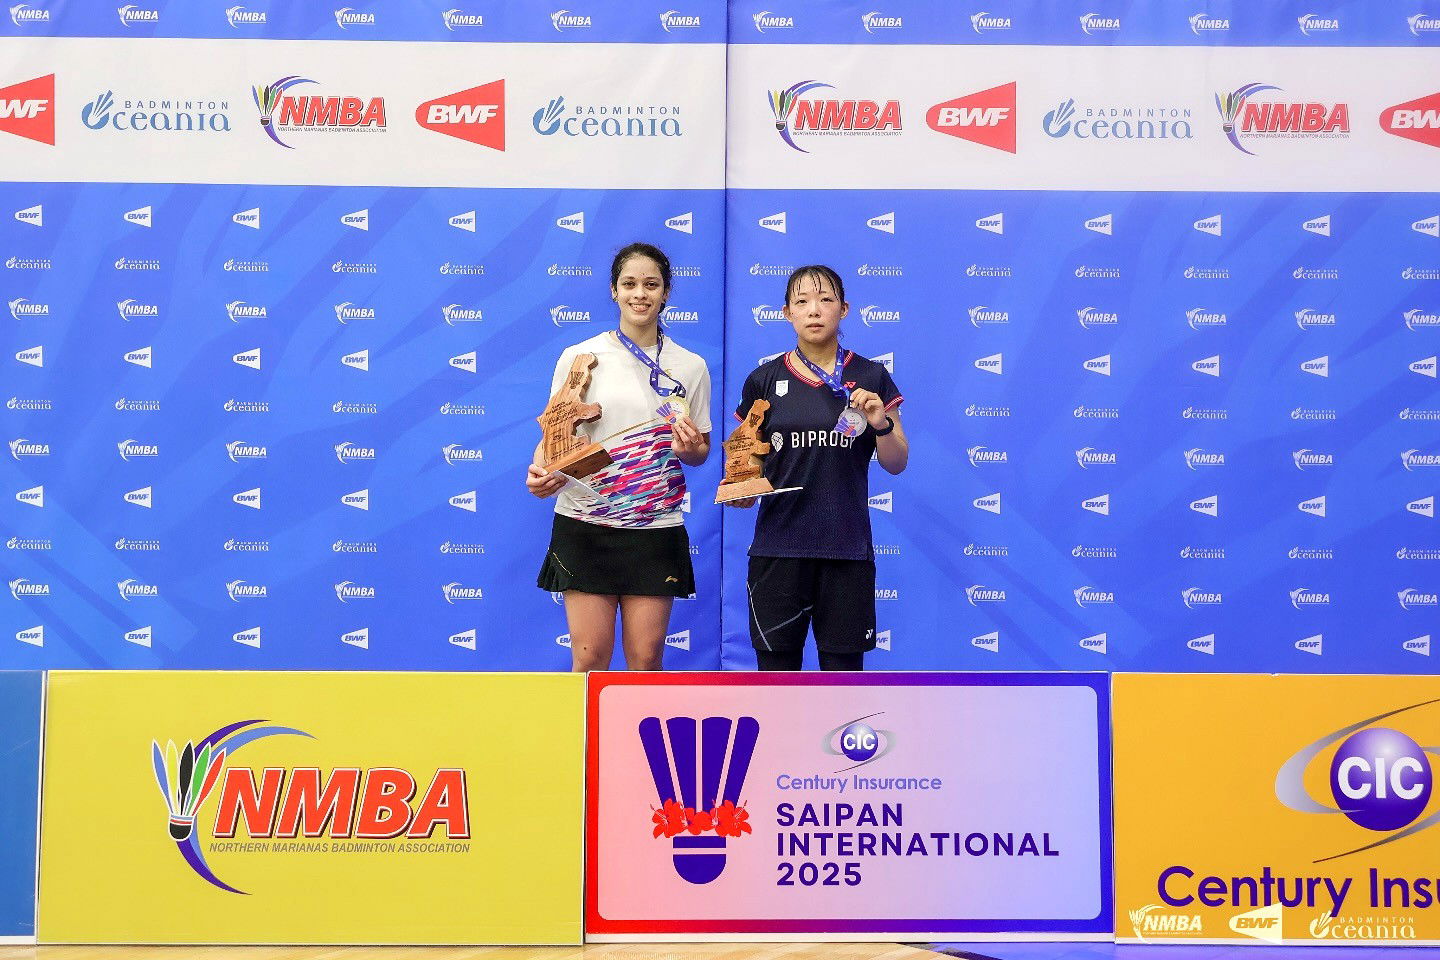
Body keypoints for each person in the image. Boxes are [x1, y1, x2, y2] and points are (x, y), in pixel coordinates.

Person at [526, 242, 712, 671]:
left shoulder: (691, 366)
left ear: (666, 293)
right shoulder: (580, 356)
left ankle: (634, 742)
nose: (639, 294)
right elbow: (555, 432)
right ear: (614, 291)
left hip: (655, 528)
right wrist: (538, 472)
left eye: (651, 284)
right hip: (585, 523)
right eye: (629, 284)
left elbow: (699, 449)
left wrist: (690, 450)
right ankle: (583, 742)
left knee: (646, 663)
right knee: (589, 662)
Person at [728, 264, 907, 671]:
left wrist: (881, 424)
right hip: (778, 551)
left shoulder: (870, 374)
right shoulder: (763, 379)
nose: (814, 310)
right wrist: (740, 489)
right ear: (786, 311)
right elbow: (743, 470)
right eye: (802, 301)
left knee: (843, 681)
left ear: (843, 310)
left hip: (846, 550)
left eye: (825, 300)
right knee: (776, 679)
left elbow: (897, 462)